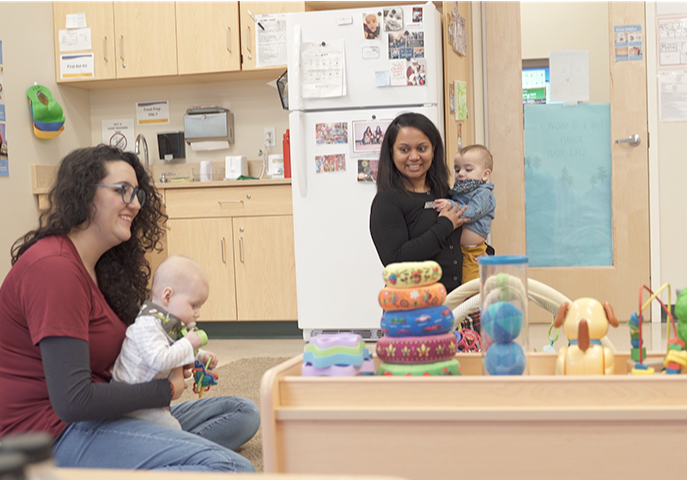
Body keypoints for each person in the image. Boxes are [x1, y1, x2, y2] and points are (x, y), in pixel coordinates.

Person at [0, 144, 259, 472]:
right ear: (84, 194)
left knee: (242, 414)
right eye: (123, 190)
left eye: (137, 193)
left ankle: (157, 457)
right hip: (53, 434)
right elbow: (73, 401)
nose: (135, 204)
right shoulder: (54, 268)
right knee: (233, 469)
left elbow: (123, 356)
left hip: (103, 415)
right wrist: (164, 389)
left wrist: (172, 363)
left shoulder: (99, 266)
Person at [111, 254, 214, 431]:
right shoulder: (147, 325)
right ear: (168, 296)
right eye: (194, 305)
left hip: (154, 402)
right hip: (132, 407)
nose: (197, 313)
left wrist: (201, 357)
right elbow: (160, 359)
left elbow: (175, 350)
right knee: (174, 429)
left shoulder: (168, 326)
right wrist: (188, 343)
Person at [369, 112, 469, 294]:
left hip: (454, 301)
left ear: (433, 149)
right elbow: (396, 261)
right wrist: (444, 226)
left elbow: (460, 241)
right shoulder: (386, 202)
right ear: (391, 152)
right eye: (404, 150)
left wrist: (484, 254)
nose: (414, 157)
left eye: (422, 149)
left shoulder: (443, 191)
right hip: (413, 308)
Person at [434, 144, 496, 284]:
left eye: (468, 169)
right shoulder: (459, 191)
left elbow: (473, 211)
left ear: (485, 174)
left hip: (473, 252)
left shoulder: (483, 193)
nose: (461, 173)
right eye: (457, 169)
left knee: (470, 289)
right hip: (458, 251)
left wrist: (450, 206)